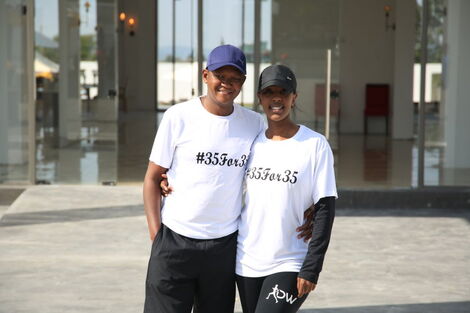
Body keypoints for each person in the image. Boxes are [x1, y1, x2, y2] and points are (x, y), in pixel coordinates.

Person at [143, 45, 316, 313]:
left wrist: (311, 204)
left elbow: (282, 167)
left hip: (224, 248)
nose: (227, 83)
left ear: (243, 82)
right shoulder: (178, 117)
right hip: (175, 241)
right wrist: (158, 239)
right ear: (205, 75)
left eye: (235, 78)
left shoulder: (255, 123)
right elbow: (153, 179)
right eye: (220, 76)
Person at [235, 64, 337, 313]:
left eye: (284, 91)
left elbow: (325, 208)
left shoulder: (314, 144)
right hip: (246, 260)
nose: (277, 98)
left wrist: (312, 266)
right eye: (269, 92)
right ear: (260, 97)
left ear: (294, 97)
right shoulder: (249, 142)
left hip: (290, 260)